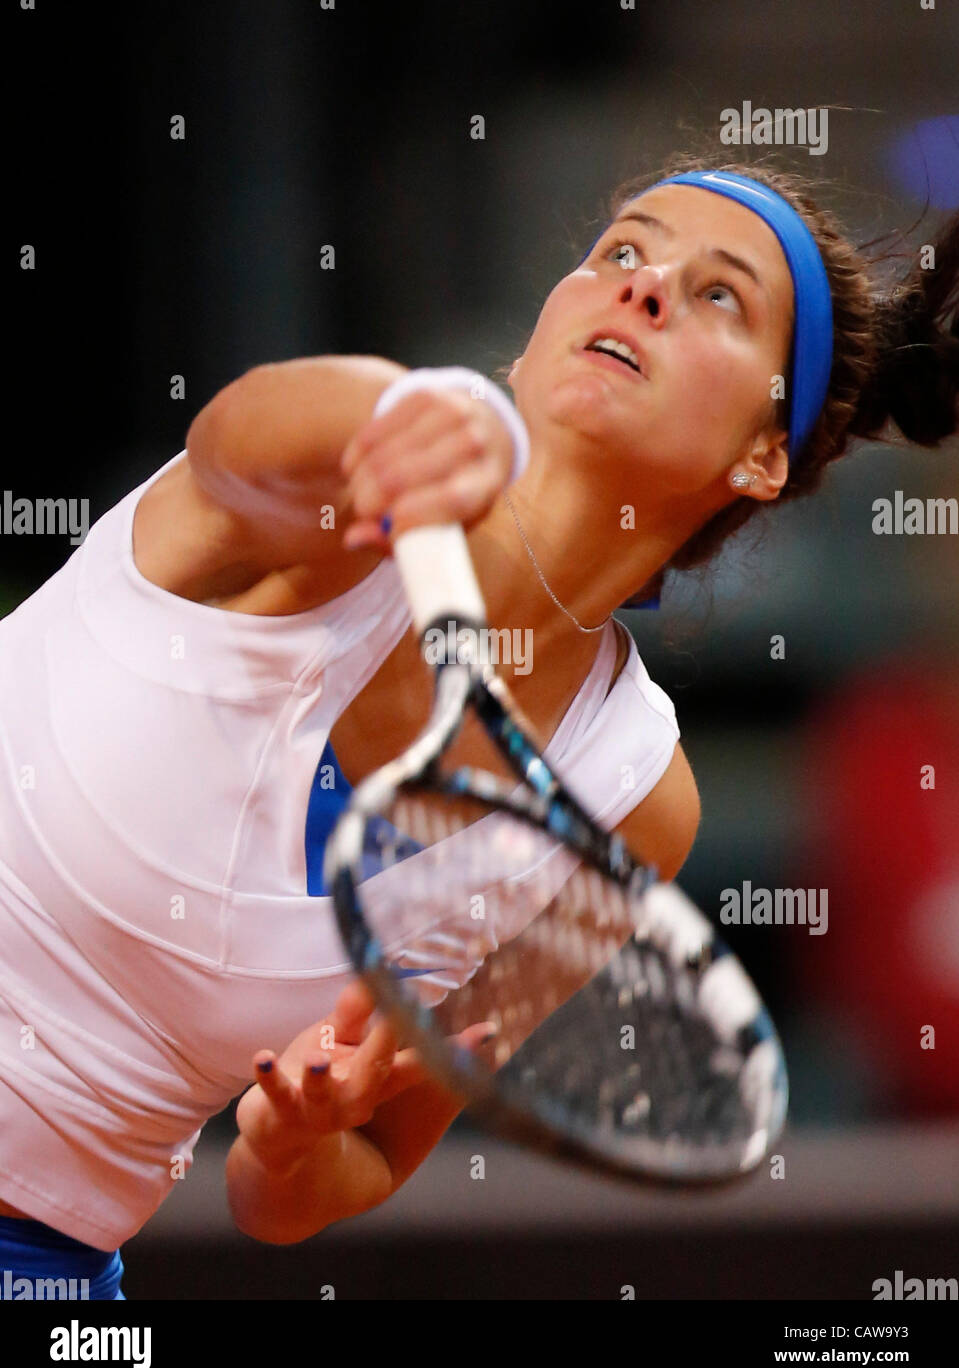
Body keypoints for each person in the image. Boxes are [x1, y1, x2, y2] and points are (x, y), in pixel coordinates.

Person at [1, 156, 955, 1297]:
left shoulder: (630, 803)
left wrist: (297, 1135)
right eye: (619, 253)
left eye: (718, 297)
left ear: (763, 454)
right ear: (532, 334)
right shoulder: (339, 477)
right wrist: (406, 411)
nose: (640, 287)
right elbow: (235, 438)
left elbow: (329, 1181)